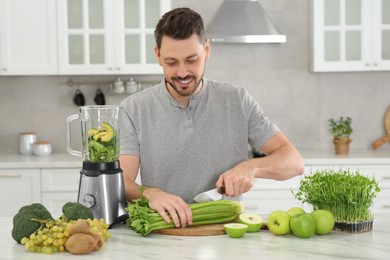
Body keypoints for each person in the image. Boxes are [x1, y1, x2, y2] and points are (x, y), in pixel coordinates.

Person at [119, 7, 304, 229]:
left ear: (206, 50)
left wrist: (251, 168)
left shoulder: (237, 100)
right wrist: (150, 194)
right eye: (171, 62)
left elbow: (294, 162)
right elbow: (121, 182)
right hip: (162, 232)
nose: (182, 72)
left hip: (228, 234)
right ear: (158, 55)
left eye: (192, 59)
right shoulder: (133, 109)